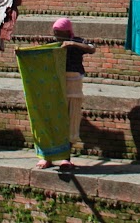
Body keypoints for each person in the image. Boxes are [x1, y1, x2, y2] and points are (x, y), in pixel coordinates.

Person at [36, 17, 96, 170]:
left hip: (73, 85)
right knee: (52, 121)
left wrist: (73, 44)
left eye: (60, 34)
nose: (57, 37)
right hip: (55, 85)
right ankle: (47, 156)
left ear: (67, 32)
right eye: (55, 33)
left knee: (70, 121)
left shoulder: (77, 41)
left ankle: (65, 158)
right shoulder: (53, 43)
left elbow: (92, 48)